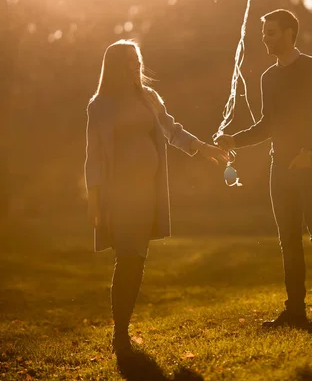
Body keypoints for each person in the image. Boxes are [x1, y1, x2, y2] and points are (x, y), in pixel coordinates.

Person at [84, 39, 228, 354]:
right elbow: (93, 156)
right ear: (116, 67)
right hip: (118, 194)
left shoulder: (148, 97)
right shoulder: (100, 105)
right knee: (128, 257)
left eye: (138, 62)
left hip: (147, 192)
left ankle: (122, 327)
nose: (137, 68)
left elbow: (171, 129)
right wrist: (93, 200)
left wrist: (203, 148)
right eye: (130, 64)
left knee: (136, 259)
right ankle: (120, 333)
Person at [216, 9, 312, 327]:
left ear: (288, 33)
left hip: (311, 164)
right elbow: (267, 125)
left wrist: (309, 152)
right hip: (280, 167)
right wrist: (234, 140)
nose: (264, 38)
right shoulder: (268, 77)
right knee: (288, 239)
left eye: (271, 32)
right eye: (263, 32)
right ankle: (295, 311)